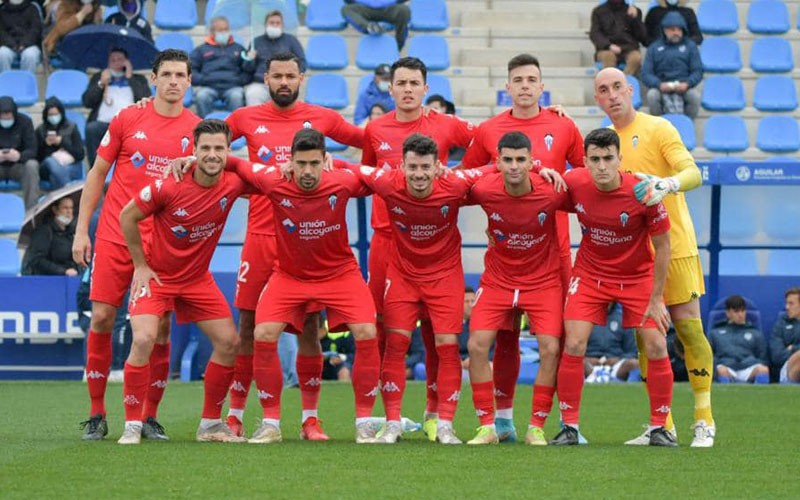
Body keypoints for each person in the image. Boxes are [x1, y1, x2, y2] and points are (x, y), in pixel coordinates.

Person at [222, 52, 365, 440]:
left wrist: (337, 165)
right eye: (277, 76)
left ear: (302, 77)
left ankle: (309, 419)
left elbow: (371, 142)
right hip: (261, 238)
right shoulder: (244, 118)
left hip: (307, 242)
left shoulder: (324, 118)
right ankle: (235, 414)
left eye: (290, 75)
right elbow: (208, 141)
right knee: (248, 329)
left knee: (309, 328)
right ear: (266, 78)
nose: (284, 81)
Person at [72, 49, 200, 441]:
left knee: (158, 331)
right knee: (101, 320)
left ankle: (148, 416)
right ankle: (96, 413)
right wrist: (81, 231)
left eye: (182, 75)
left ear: (190, 82)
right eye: (168, 74)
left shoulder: (197, 131)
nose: (175, 81)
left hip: (160, 248)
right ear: (155, 79)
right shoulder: (128, 118)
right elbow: (97, 175)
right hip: (113, 237)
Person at [461, 53, 584, 442]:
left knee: (560, 341)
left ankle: (565, 424)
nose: (526, 86)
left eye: (533, 79)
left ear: (542, 86)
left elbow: (584, 177)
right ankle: (502, 420)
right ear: (508, 87)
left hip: (555, 253)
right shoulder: (488, 130)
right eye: (519, 80)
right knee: (505, 339)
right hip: (505, 259)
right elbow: (468, 178)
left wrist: (552, 173)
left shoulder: (562, 124)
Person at [594, 67, 716, 447]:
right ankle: (661, 424)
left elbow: (693, 172)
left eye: (617, 87)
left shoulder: (659, 128)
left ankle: (704, 418)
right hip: (633, 257)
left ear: (630, 90)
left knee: (688, 329)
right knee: (646, 339)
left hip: (674, 248)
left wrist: (667, 184)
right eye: (603, 90)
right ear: (597, 99)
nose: (612, 94)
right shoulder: (603, 141)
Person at [361, 56, 475, 442]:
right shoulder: (374, 129)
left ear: (426, 88)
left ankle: (434, 414)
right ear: (390, 89)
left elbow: (489, 144)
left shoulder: (445, 125)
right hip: (387, 239)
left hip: (435, 239)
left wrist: (455, 175)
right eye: (401, 83)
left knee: (438, 335)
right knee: (387, 333)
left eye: (415, 83)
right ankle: (387, 417)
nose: (407, 89)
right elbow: (365, 176)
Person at [116, 119, 250, 445]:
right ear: (194, 150)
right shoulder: (168, 185)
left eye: (219, 148)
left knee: (230, 343)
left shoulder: (233, 184)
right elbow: (127, 216)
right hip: (158, 278)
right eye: (205, 148)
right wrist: (140, 266)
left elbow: (271, 177)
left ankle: (209, 426)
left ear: (228, 151)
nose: (212, 154)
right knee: (145, 339)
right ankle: (132, 425)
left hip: (196, 281)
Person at [549, 127, 675, 447]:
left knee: (657, 345)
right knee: (574, 344)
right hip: (590, 276)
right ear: (585, 161)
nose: (602, 166)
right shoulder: (574, 182)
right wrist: (542, 171)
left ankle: (660, 428)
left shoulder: (643, 192)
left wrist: (657, 297)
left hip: (637, 278)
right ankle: (570, 428)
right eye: (595, 159)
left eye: (608, 158)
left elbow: (663, 247)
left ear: (620, 158)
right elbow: (535, 188)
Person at [463, 132, 568, 446]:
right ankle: (487, 426)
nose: (513, 166)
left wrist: (545, 171)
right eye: (507, 159)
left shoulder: (553, 191)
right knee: (477, 346)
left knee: (551, 349)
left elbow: (591, 191)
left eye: (521, 160)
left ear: (531, 161)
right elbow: (452, 184)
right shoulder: (484, 189)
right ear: (497, 161)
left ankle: (536, 426)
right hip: (498, 281)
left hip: (543, 281)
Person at [82, 47, 151, 168]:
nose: (116, 63)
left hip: (129, 125)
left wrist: (130, 78)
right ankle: (95, 170)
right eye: (113, 60)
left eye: (120, 60)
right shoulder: (98, 77)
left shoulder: (138, 79)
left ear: (127, 62)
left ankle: (136, 169)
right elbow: (87, 102)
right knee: (91, 129)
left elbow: (145, 99)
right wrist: (101, 83)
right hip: (103, 123)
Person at [641, 12, 703, 119]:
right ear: (664, 30)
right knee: (652, 95)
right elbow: (646, 73)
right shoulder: (654, 48)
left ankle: (685, 125)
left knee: (695, 97)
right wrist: (659, 84)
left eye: (679, 29)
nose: (676, 33)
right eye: (672, 29)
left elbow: (697, 71)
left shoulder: (690, 46)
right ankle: (660, 126)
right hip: (660, 86)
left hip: (684, 86)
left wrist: (687, 83)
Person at [190, 16, 251, 117]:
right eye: (220, 30)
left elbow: (247, 69)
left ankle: (235, 128)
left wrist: (239, 80)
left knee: (237, 96)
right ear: (212, 32)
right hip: (208, 86)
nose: (224, 32)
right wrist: (203, 79)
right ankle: (206, 127)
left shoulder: (238, 48)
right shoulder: (202, 49)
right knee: (201, 96)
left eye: (226, 29)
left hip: (232, 87)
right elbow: (190, 69)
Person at [245, 9, 306, 106]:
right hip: (261, 84)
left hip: (285, 82)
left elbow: (302, 61)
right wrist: (250, 59)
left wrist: (293, 76)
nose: (275, 25)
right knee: (252, 94)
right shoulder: (256, 42)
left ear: (282, 25)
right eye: (271, 22)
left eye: (278, 23)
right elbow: (247, 69)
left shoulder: (291, 40)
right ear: (266, 24)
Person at [707, 295, 769, 384]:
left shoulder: (755, 333)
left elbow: (763, 358)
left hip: (748, 368)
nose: (740, 315)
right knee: (721, 371)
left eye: (743, 311)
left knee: (763, 370)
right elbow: (709, 356)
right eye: (736, 311)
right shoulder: (714, 333)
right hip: (726, 367)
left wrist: (749, 361)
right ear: (728, 313)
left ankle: (761, 397)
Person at [35, 96, 85, 190]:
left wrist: (62, 142)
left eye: (56, 114)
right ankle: (67, 193)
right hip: (47, 168)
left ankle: (60, 201)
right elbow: (36, 158)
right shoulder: (40, 130)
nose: (53, 117)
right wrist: (45, 144)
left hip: (71, 166)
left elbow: (80, 155)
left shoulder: (72, 127)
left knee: (56, 175)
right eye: (50, 114)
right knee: (51, 162)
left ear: (61, 113)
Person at [22, 196, 80, 276]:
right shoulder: (43, 231)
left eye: (71, 208)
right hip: (45, 280)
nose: (69, 212)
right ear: (55, 210)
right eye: (65, 208)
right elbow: (37, 260)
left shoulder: (71, 232)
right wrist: (63, 271)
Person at [0, 95, 39, 209]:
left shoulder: (25, 122)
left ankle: (31, 212)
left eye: (8, 115)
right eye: (3, 116)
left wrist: (19, 156)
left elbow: (33, 150)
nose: (6, 119)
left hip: (18, 165)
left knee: (32, 166)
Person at [589, 0, 648, 75]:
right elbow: (595, 33)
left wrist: (635, 19)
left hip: (629, 48)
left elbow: (642, 36)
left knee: (636, 58)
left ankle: (624, 80)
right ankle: (611, 81)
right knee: (609, 57)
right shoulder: (598, 11)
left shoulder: (634, 11)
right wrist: (608, 45)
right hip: (606, 48)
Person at [584, 302, 639, 382]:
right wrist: (588, 359)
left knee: (635, 364)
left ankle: (629, 390)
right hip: (589, 366)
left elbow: (632, 352)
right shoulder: (585, 319)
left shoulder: (623, 318)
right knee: (576, 362)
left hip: (616, 366)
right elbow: (577, 347)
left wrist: (618, 359)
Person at [342, 0, 411, 51]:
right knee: (346, 9)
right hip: (364, 8)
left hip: (389, 8)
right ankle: (370, 27)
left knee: (404, 10)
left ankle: (398, 44)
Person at [0, 0, 43, 74]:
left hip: (30, 45)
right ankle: (5, 83)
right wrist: (11, 44)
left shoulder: (33, 8)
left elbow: (36, 29)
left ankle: (26, 83)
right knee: (2, 54)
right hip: (8, 45)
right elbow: (1, 32)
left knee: (30, 56)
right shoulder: (2, 10)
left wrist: (25, 43)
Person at [769, 288, 800, 384]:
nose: (787, 307)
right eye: (786, 303)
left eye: (791, 304)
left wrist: (793, 348)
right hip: (787, 371)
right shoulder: (780, 325)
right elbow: (777, 357)